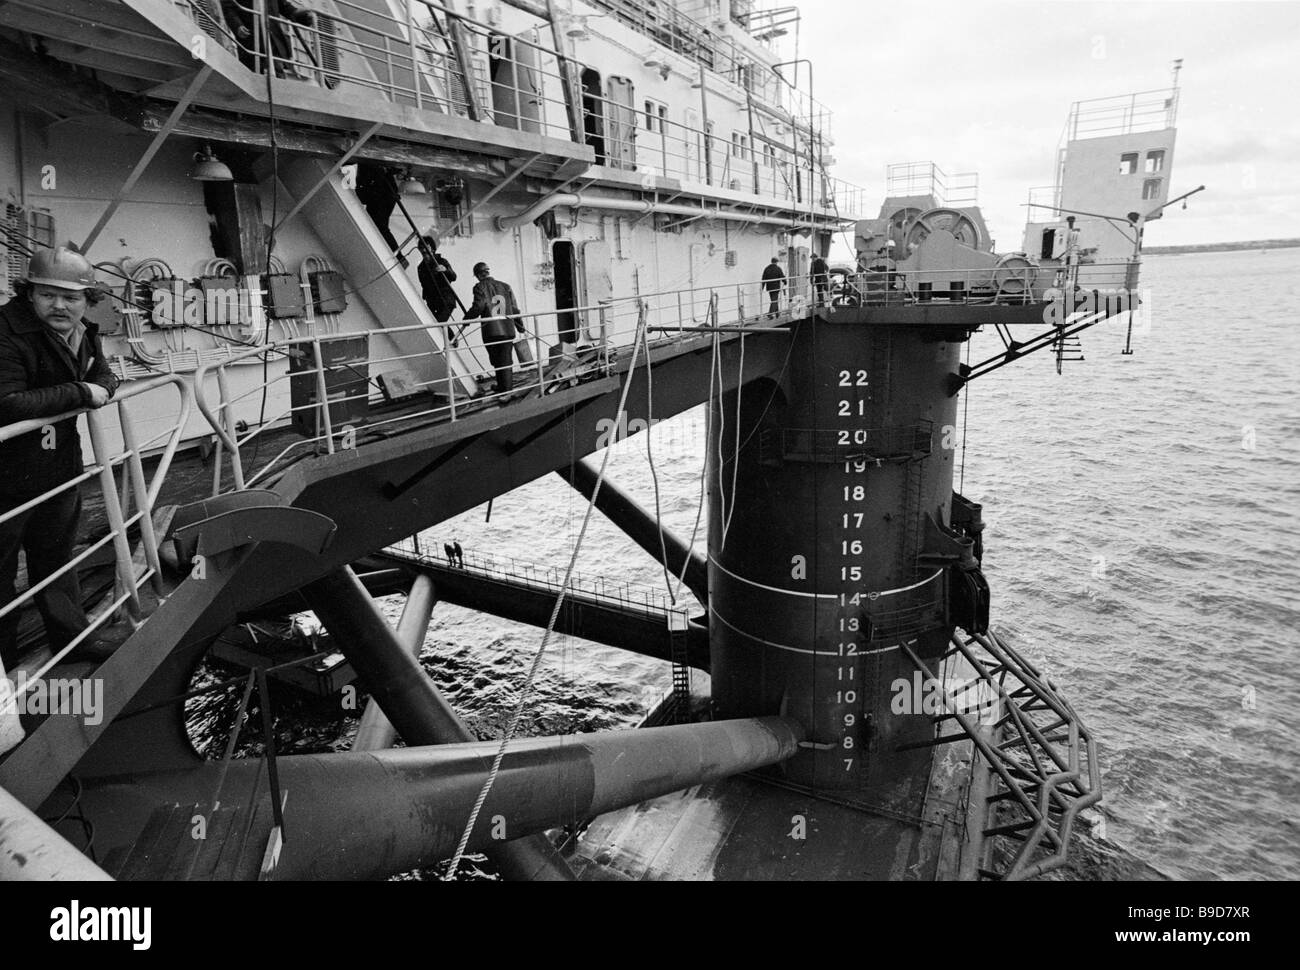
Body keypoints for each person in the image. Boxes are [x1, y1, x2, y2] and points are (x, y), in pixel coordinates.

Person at [0, 247, 120, 669]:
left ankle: (72, 642)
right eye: (48, 294)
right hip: (6, 479)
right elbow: (9, 403)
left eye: (71, 297)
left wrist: (97, 386)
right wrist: (83, 393)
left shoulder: (84, 331)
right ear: (29, 293)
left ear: (87, 299)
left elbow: (105, 376)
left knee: (56, 560)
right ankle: (4, 667)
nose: (60, 305)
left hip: (58, 468)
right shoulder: (4, 331)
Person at [462, 262, 523, 395]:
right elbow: (515, 309)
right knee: (505, 358)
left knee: (497, 359)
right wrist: (521, 328)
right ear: (488, 272)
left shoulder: (479, 287)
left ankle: (505, 389)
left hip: (492, 331)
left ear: (478, 275)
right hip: (507, 329)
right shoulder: (505, 286)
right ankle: (504, 387)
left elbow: (479, 306)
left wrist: (467, 318)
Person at [354, 161, 406, 267]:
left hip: (380, 197)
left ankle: (399, 257)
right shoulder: (375, 170)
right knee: (382, 228)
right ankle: (399, 257)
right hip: (386, 196)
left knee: (381, 228)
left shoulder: (368, 169)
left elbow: (363, 192)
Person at [417, 236, 459, 323]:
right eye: (421, 248)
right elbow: (423, 285)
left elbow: (454, 277)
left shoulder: (441, 261)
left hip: (446, 301)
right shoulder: (421, 267)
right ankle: (451, 337)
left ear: (432, 248)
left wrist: (445, 270)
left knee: (437, 324)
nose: (424, 250)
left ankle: (450, 336)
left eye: (426, 247)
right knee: (436, 324)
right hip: (433, 301)